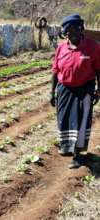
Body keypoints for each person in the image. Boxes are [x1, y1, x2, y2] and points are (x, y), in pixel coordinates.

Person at [51, 14, 100, 169]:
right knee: (64, 119)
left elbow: (99, 70)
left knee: (81, 121)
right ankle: (66, 147)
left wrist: (99, 90)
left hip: (85, 89)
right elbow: (55, 71)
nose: (73, 35)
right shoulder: (61, 48)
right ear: (65, 34)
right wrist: (52, 92)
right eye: (69, 33)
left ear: (81, 30)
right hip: (64, 89)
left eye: (76, 31)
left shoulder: (92, 47)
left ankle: (78, 155)